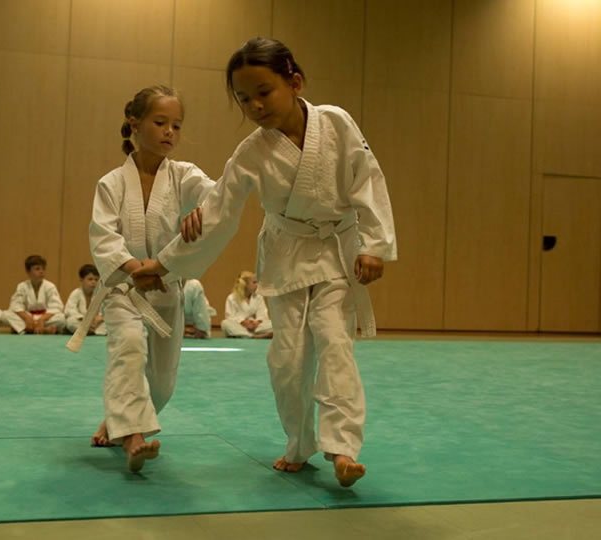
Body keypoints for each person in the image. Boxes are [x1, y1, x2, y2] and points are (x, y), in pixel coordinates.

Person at [132, 38, 397, 487]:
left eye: (263, 92)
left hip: (338, 251)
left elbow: (367, 179)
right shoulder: (252, 151)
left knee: (335, 343)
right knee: (288, 360)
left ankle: (343, 448)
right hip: (286, 254)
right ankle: (298, 444)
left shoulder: (336, 123)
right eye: (243, 98)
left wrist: (375, 243)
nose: (254, 105)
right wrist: (164, 263)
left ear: (294, 83)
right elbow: (219, 212)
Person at [86, 86, 214, 472]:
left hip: (165, 286)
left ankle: (119, 419)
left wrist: (204, 210)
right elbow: (103, 236)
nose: (170, 132)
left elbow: (218, 196)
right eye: (160, 122)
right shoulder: (111, 183)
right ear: (134, 123)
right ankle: (134, 438)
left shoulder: (184, 175)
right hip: (124, 289)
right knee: (128, 350)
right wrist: (131, 268)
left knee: (161, 383)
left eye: (177, 125)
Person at [1, 255, 66, 334]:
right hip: (28, 318)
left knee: (62, 318)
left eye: (43, 269)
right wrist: (27, 318)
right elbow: (16, 306)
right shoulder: (22, 286)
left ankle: (25, 329)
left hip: (44, 318)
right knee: (5, 315)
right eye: (37, 269)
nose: (41, 271)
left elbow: (56, 307)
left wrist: (42, 319)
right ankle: (44, 330)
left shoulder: (50, 286)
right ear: (28, 271)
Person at [221, 271, 272, 338]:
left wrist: (257, 322)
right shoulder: (232, 298)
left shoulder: (258, 297)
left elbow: (263, 314)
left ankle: (244, 335)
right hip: (240, 326)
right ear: (245, 284)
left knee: (273, 324)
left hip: (256, 327)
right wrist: (243, 322)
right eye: (254, 282)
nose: (256, 285)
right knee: (225, 323)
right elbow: (230, 317)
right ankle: (252, 336)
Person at [65, 264, 106, 336]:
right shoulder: (76, 293)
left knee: (109, 323)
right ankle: (89, 331)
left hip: (95, 324)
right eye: (90, 279)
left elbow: (105, 311)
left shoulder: (99, 295)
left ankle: (90, 331)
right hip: (81, 322)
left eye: (96, 279)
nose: (93, 282)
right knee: (70, 322)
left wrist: (99, 319)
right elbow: (70, 310)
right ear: (81, 280)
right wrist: (84, 319)